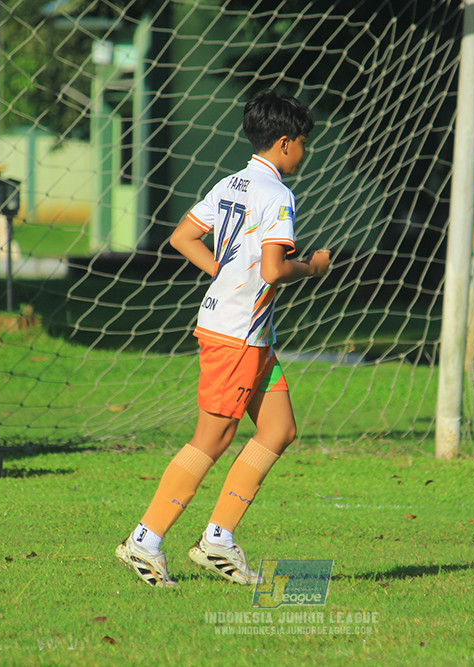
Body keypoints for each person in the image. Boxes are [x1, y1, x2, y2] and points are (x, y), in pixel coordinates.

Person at [115, 89, 331, 589]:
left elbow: (182, 237)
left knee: (277, 430)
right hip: (235, 333)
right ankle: (144, 540)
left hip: (252, 334)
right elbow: (275, 270)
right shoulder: (277, 193)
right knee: (211, 439)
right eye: (304, 143)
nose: (306, 151)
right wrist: (314, 267)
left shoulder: (231, 181)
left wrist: (222, 271)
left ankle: (217, 539)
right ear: (284, 143)